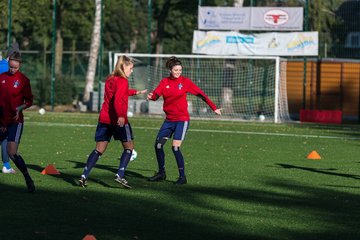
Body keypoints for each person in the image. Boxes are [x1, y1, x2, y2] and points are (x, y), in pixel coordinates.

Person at [147, 56, 222, 185]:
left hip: (182, 120)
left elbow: (201, 94)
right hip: (169, 120)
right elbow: (156, 95)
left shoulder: (185, 82)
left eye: (180, 70)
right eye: (176, 70)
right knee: (158, 145)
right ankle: (161, 173)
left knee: (175, 148)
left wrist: (214, 108)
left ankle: (182, 177)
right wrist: (151, 97)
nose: (178, 72)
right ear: (170, 70)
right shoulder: (164, 82)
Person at [79, 55, 147, 189]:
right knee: (129, 147)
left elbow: (120, 93)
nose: (131, 71)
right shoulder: (123, 80)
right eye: (131, 68)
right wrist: (121, 115)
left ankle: (84, 176)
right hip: (118, 120)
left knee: (99, 149)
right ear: (124, 66)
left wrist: (136, 92)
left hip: (104, 118)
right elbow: (118, 99)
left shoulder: (110, 78)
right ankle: (120, 174)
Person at [0, 51, 35, 192]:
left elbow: (29, 101)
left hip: (15, 121)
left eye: (15, 67)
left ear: (19, 65)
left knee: (12, 152)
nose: (12, 69)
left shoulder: (24, 80)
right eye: (10, 67)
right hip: (1, 120)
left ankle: (27, 177)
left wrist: (19, 109)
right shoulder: (1, 77)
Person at [0, 52, 16, 174]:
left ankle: (6, 165)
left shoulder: (3, 65)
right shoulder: (7, 68)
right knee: (5, 136)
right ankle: (6, 165)